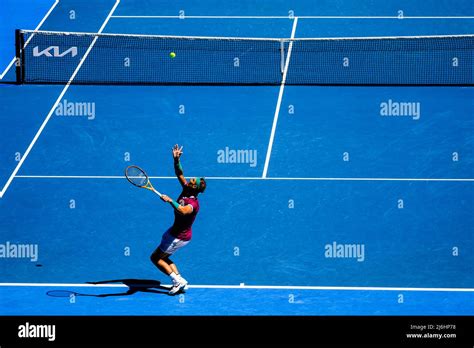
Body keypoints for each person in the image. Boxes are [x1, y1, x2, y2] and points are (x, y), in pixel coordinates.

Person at [150, 144, 206, 295]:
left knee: (155, 258)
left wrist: (169, 200)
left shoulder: (193, 204)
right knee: (165, 257)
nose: (190, 180)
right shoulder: (187, 188)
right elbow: (179, 173)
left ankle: (176, 281)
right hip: (176, 233)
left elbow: (182, 210)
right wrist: (176, 159)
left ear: (195, 187)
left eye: (193, 181)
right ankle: (181, 280)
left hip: (178, 237)